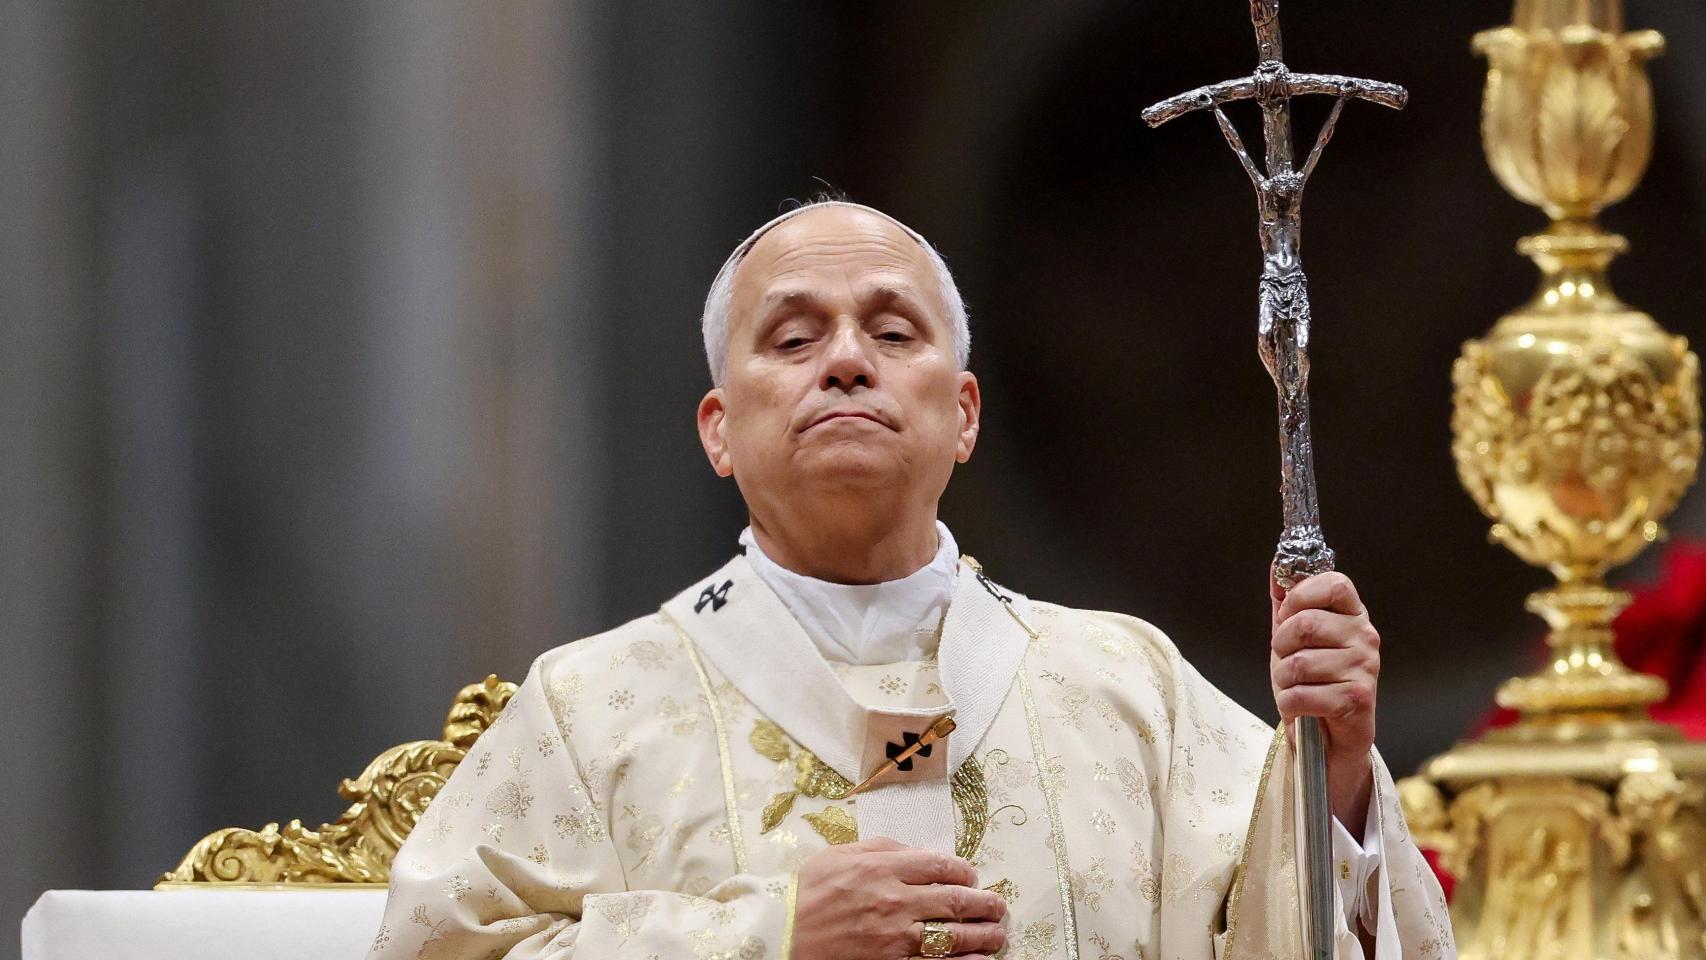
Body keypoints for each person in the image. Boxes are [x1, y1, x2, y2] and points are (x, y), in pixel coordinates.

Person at [365, 200, 1453, 960]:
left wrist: (1338, 776)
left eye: (891, 330)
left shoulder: (1127, 687)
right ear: (718, 431)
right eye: (792, 337)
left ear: (965, 414)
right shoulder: (590, 708)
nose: (845, 358)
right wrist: (767, 939)